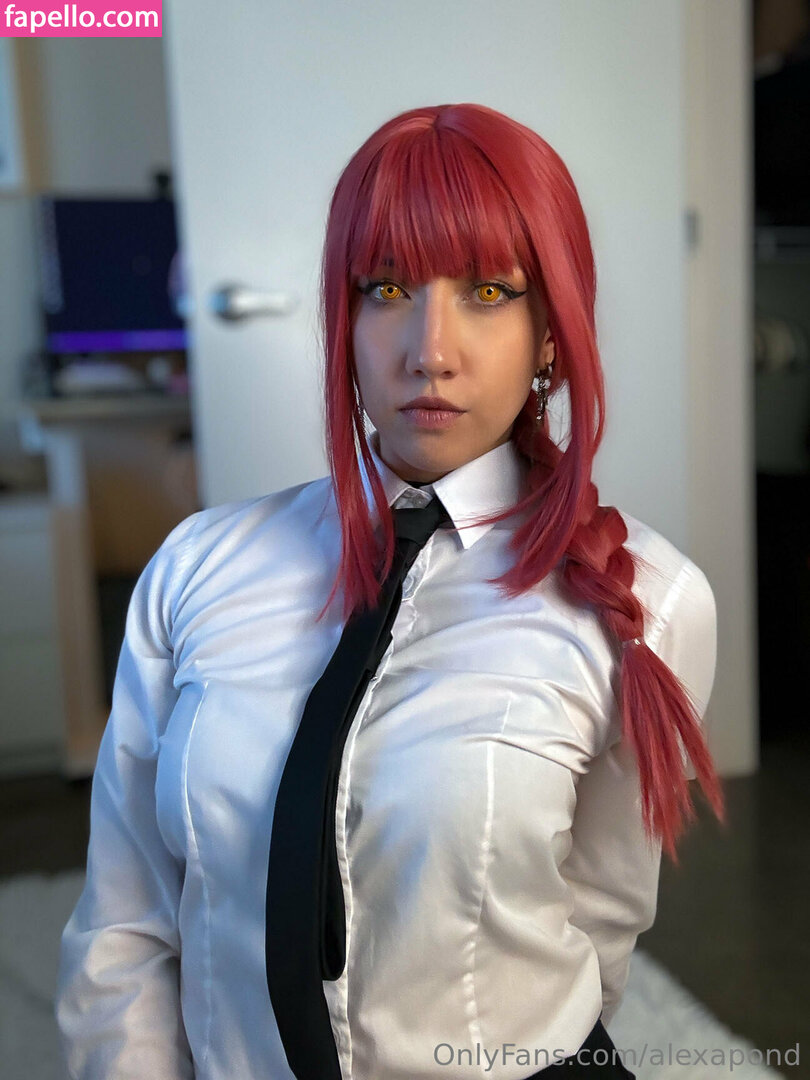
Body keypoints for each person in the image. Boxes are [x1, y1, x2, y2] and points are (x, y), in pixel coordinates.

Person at [56, 102, 725, 1080]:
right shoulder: (196, 569)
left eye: (490, 291)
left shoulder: (653, 603)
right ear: (345, 317)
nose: (430, 350)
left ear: (551, 331)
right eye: (387, 288)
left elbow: (595, 930)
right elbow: (124, 923)